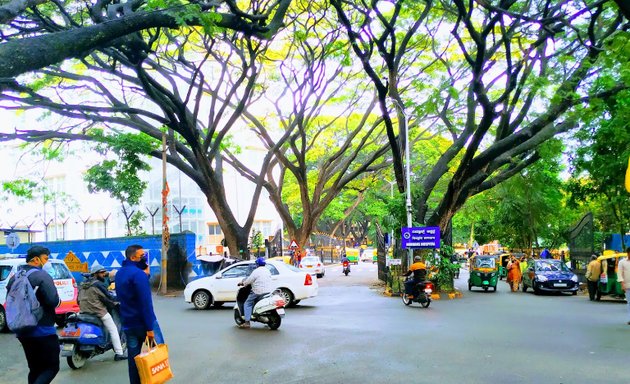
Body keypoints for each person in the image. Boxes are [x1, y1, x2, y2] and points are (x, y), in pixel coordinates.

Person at [6, 246, 60, 384]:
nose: (46, 262)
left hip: (22, 330)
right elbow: (52, 300)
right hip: (43, 330)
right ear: (36, 259)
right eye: (45, 259)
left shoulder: (15, 278)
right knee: (51, 367)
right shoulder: (42, 276)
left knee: (35, 369)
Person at [116, 245, 160, 384]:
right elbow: (145, 303)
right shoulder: (138, 274)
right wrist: (150, 329)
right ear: (132, 257)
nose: (144, 258)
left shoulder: (120, 273)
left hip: (129, 324)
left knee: (134, 359)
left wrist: (145, 274)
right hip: (144, 325)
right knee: (155, 357)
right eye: (142, 256)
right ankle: (154, 380)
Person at [78, 264, 126, 360]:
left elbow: (77, 300)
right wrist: (117, 301)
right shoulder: (98, 285)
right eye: (102, 273)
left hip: (83, 311)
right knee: (113, 329)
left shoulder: (83, 284)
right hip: (98, 312)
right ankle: (119, 353)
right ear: (95, 274)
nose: (104, 274)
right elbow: (108, 298)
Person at [238, 257, 273, 329]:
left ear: (257, 264)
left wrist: (243, 283)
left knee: (247, 303)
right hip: (268, 291)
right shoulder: (267, 270)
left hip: (257, 292)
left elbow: (249, 281)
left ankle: (247, 322)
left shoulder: (256, 271)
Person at [617, 247, 630, 325]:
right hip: (627, 286)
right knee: (629, 302)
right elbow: (620, 274)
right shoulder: (622, 262)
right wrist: (622, 284)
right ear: (628, 253)